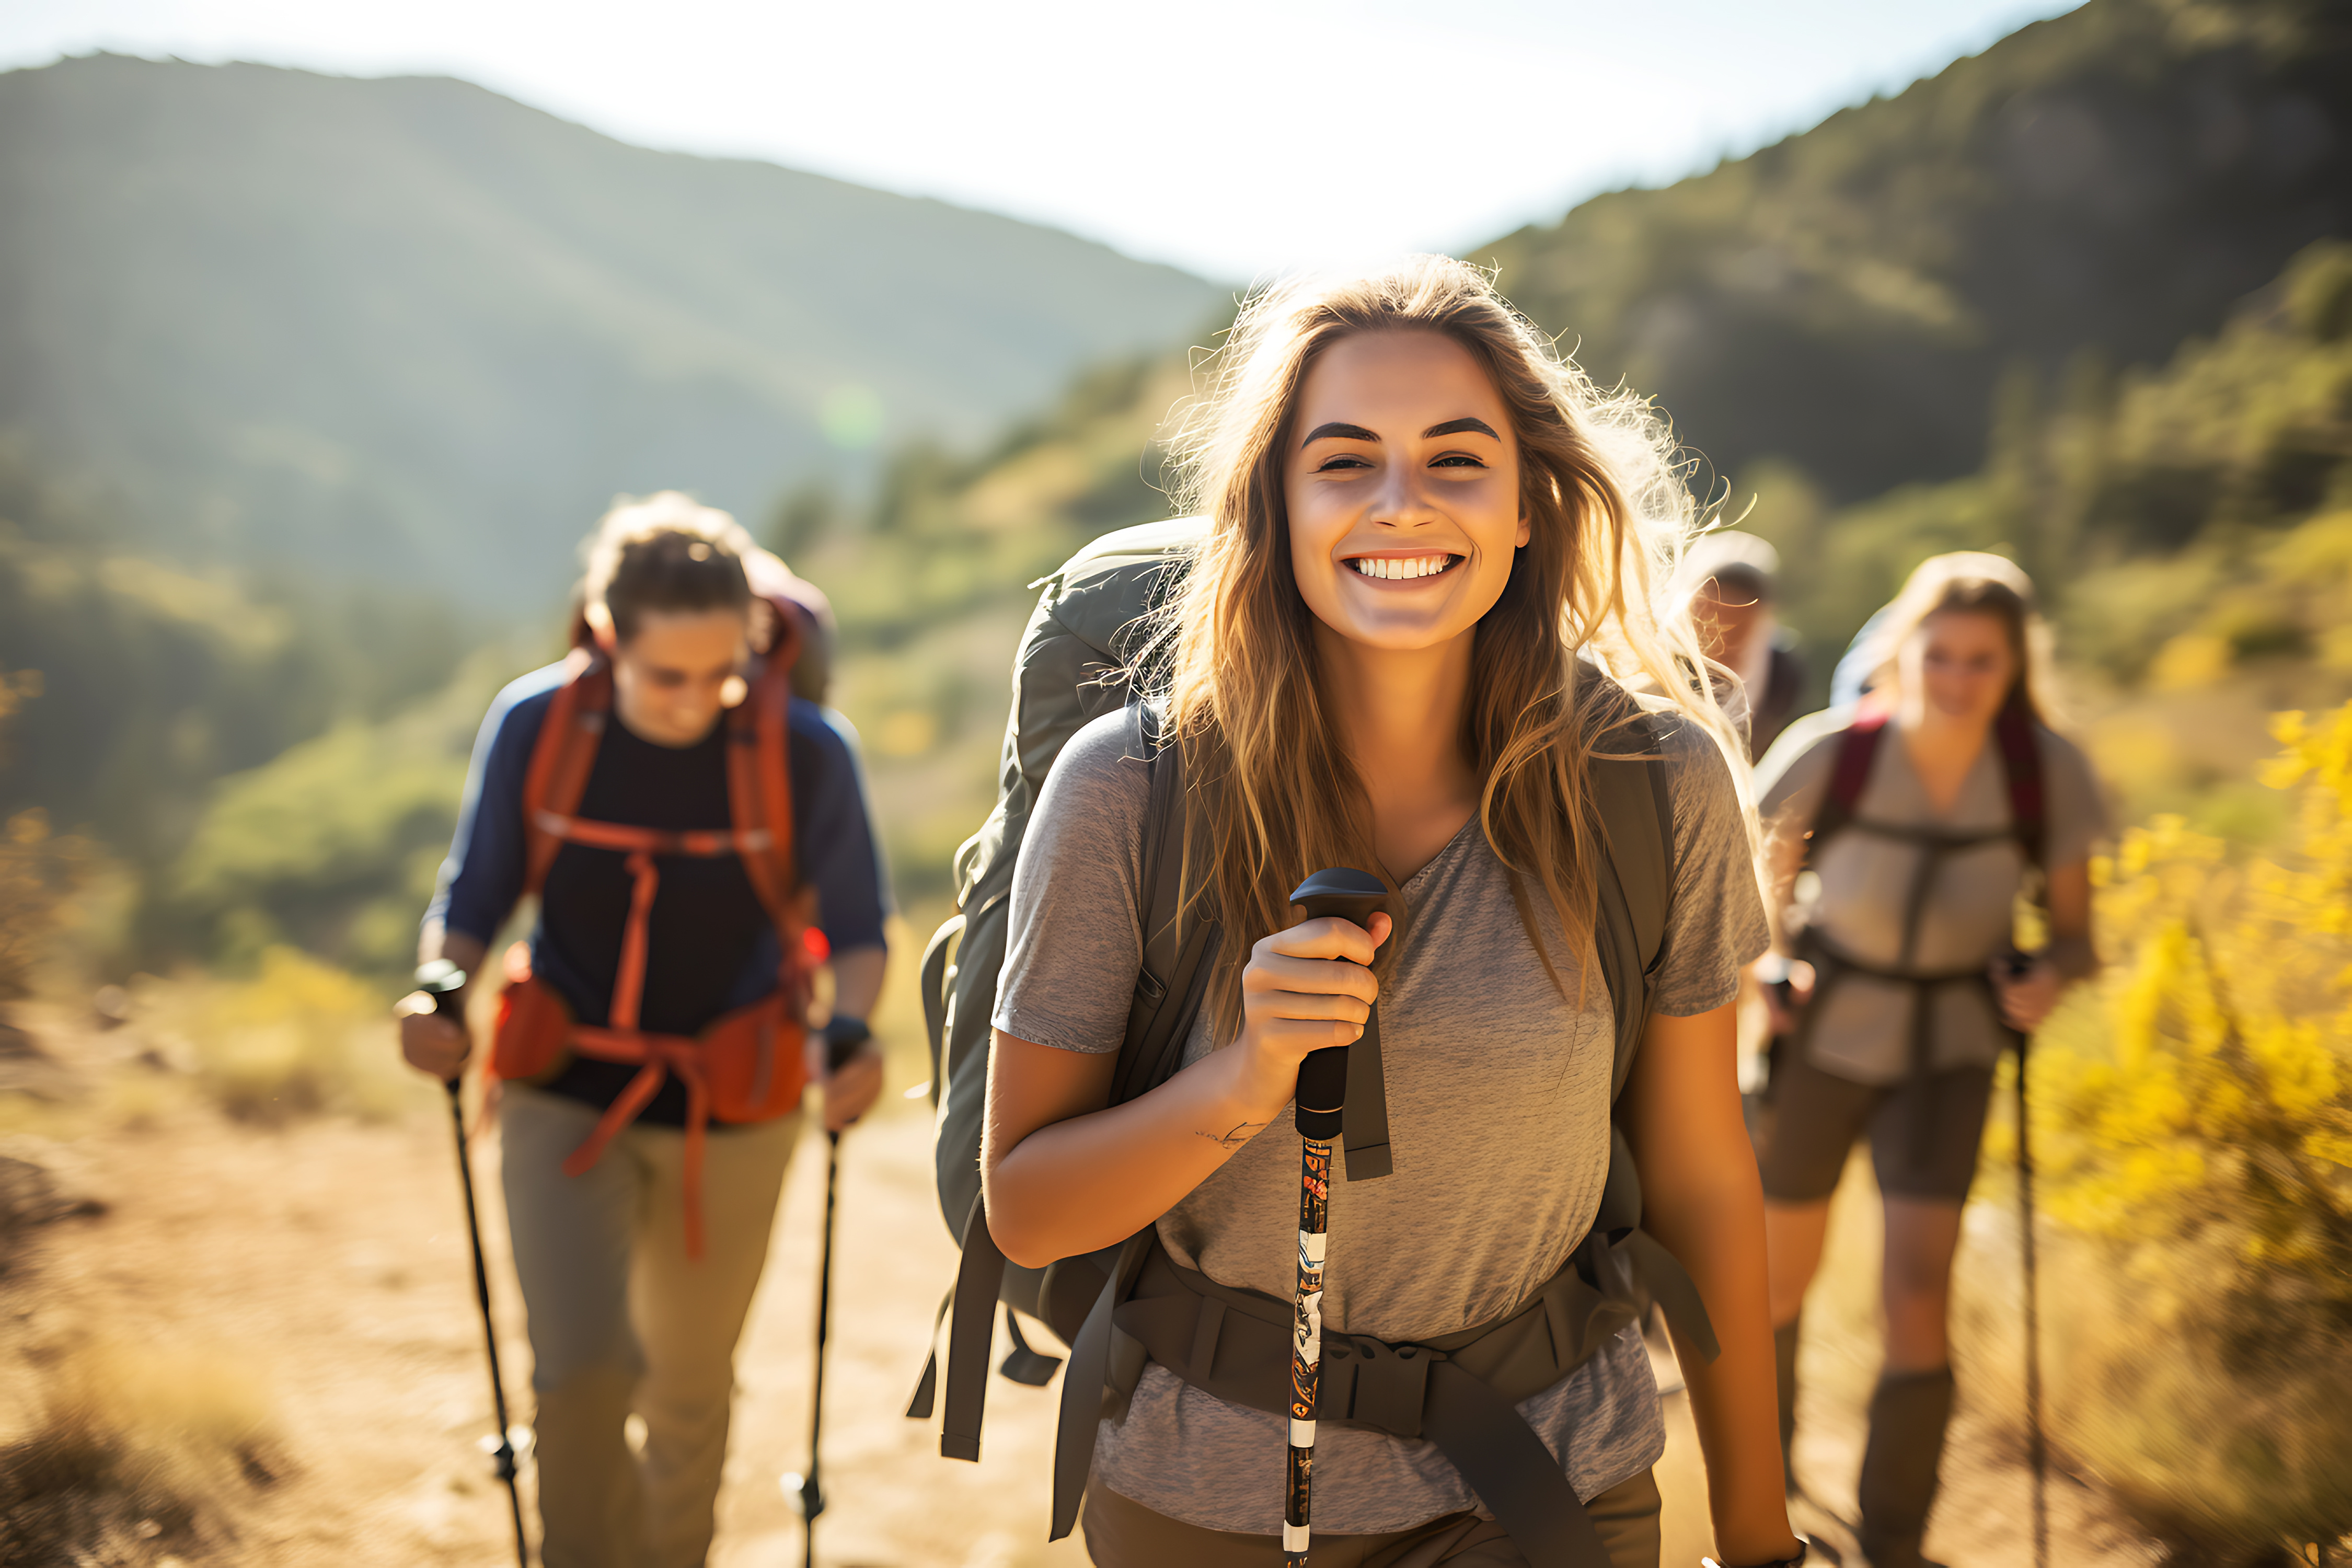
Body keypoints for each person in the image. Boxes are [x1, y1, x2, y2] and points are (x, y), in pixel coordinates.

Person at [982, 259, 1805, 1568]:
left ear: (1530, 503)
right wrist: (1245, 1079)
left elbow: (1704, 1175)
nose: (1398, 503)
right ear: (1275, 506)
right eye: (1343, 461)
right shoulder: (1129, 791)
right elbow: (1026, 1207)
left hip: (1553, 1486)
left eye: (1455, 459)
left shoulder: (1650, 783)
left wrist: (1760, 1537)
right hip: (1211, 1508)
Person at [398, 493, 888, 1568]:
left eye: (723, 674)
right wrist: (442, 987)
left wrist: (848, 1031)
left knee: (689, 1386)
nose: (698, 701)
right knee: (579, 1376)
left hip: (738, 1109)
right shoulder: (538, 725)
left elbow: (858, 931)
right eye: (667, 676)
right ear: (607, 637)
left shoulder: (805, 753)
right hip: (559, 1090)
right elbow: (475, 896)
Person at [1750, 553, 2104, 1568]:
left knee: (1918, 1293)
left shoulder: (2048, 771)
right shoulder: (1835, 753)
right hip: (1825, 1039)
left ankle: (1895, 1541)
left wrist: (2053, 976)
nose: (1956, 678)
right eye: (1938, 655)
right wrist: (1771, 968)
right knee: (1779, 1282)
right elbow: (1755, 895)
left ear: (2015, 664)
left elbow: (2080, 937)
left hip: (1951, 1052)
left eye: (1980, 661)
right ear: (1904, 651)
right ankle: (1763, 1499)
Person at [1682, 531, 1807, 761]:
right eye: (1715, 619)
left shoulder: (1781, 676)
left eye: (1742, 625)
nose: (1725, 639)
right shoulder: (1654, 665)